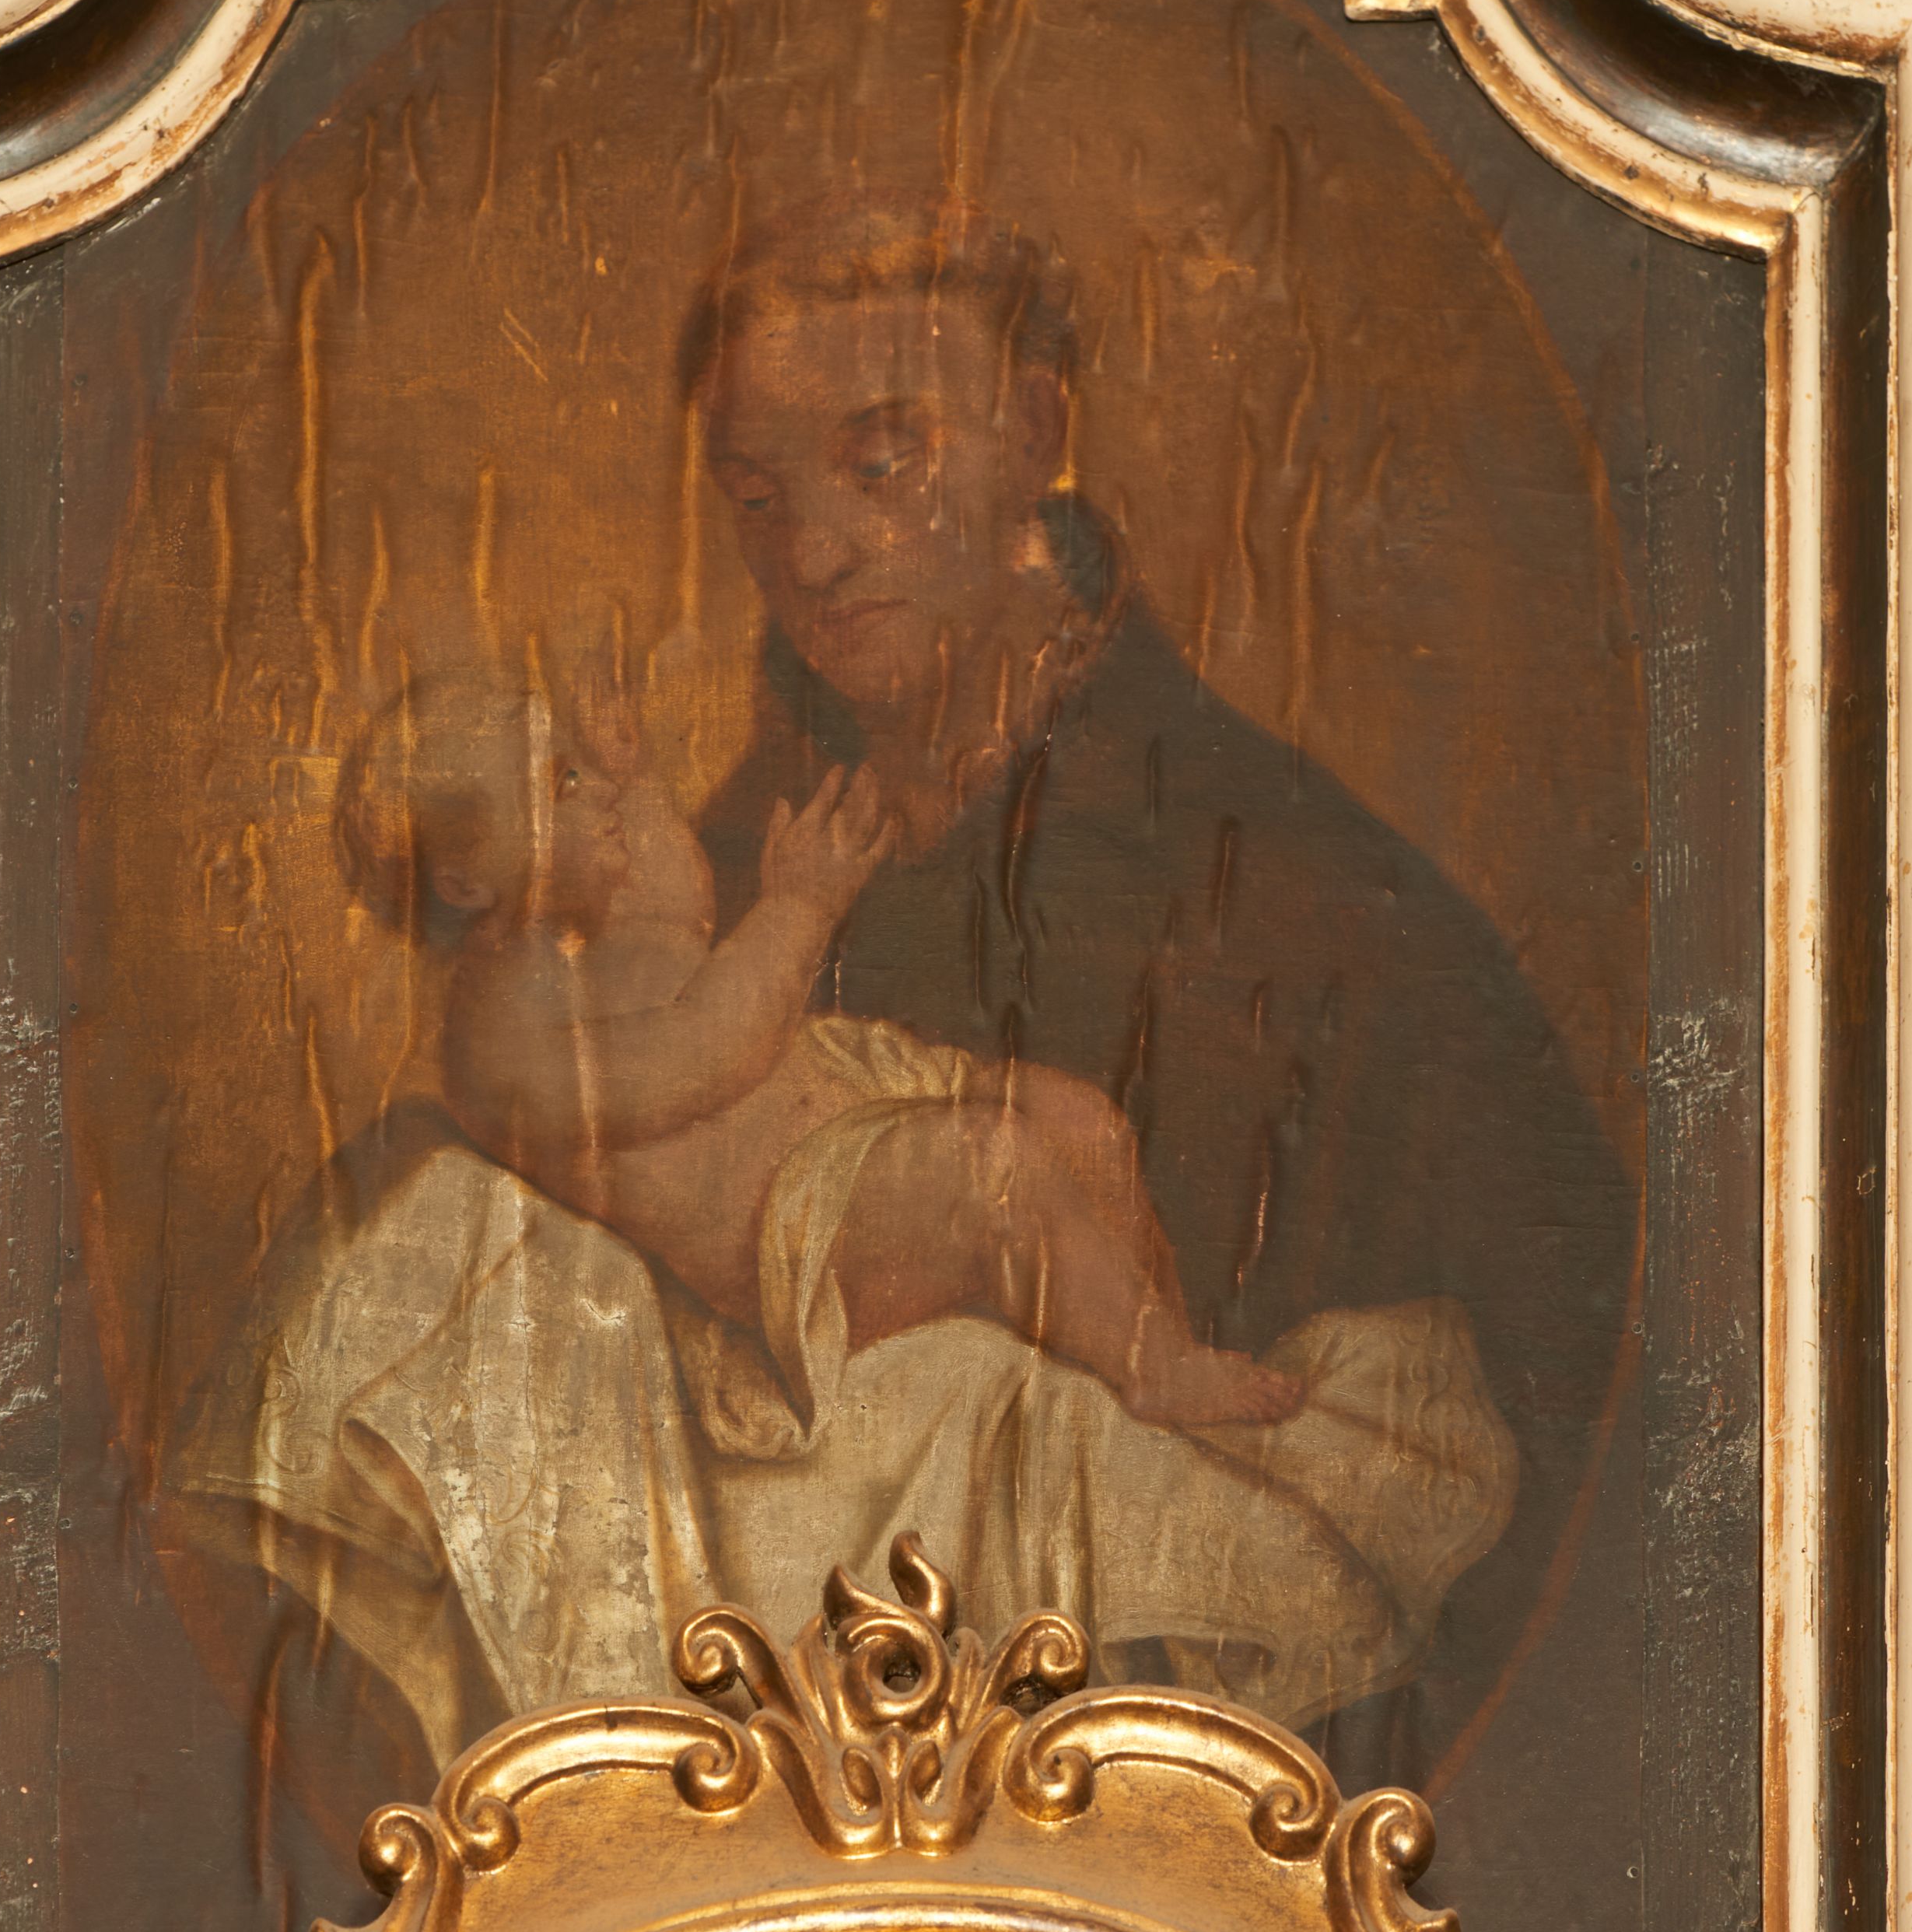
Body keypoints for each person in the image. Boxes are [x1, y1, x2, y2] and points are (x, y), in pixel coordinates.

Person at [683, 201, 1637, 1783]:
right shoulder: (714, 880)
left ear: (1035, 431)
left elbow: (1578, 1469)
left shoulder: (1311, 914)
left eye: (883, 462)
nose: (815, 556)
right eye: (756, 495)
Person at [342, 669, 1307, 1440]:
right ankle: (1153, 1372)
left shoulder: (582, 915)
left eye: (579, 766)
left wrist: (635, 779)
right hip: (800, 1240)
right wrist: (802, 906)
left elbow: (683, 909)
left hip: (854, 1112)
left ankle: (1160, 1343)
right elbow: (708, 1052)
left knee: (1077, 1118)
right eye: (560, 783)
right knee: (999, 1167)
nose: (593, 791)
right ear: (464, 882)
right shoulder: (501, 1041)